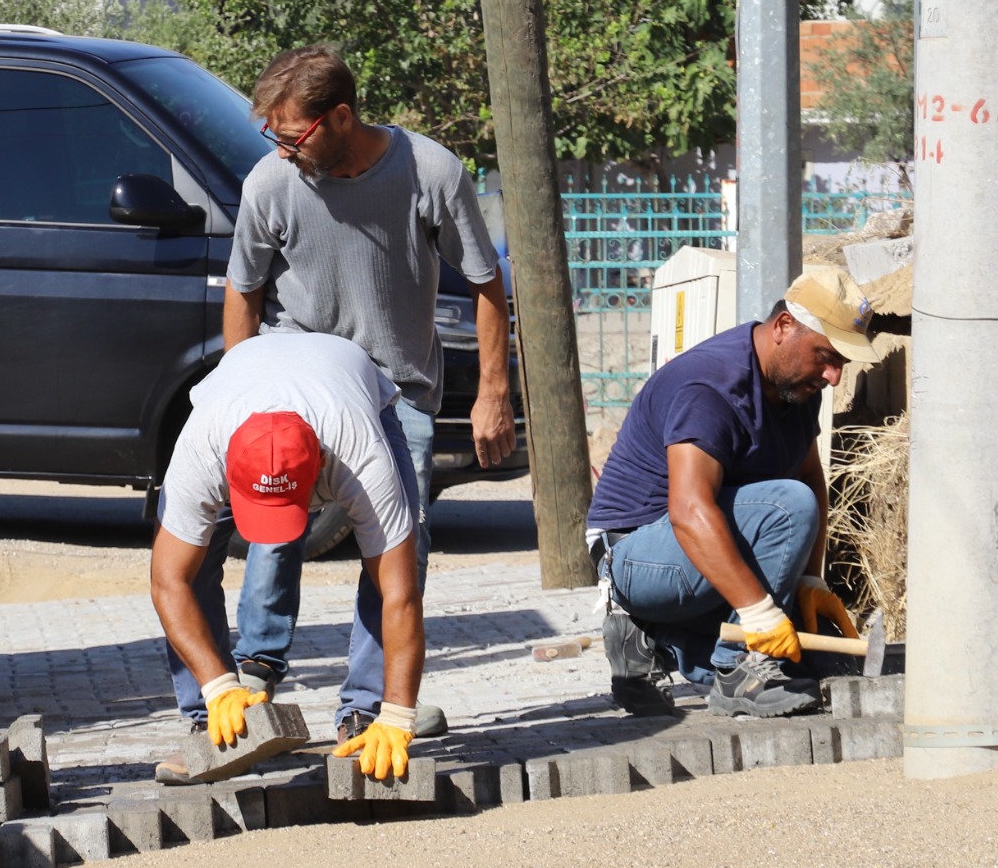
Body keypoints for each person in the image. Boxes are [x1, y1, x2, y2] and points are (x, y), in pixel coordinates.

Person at [219, 44, 517, 746]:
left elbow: (486, 282)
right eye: (275, 136)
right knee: (275, 528)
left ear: (341, 117)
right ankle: (257, 674)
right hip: (295, 385)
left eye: (291, 135)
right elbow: (244, 290)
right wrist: (243, 394)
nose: (282, 149)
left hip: (396, 394)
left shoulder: (430, 172)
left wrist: (494, 391)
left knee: (396, 551)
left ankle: (369, 706)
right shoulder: (270, 183)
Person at [587, 264, 883, 719]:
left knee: (825, 662)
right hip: (635, 554)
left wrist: (808, 580)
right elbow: (688, 510)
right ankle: (736, 669)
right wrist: (760, 617)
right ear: (784, 326)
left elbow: (810, 478)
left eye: (841, 362)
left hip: (697, 555)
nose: (834, 377)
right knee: (786, 510)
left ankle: (656, 640)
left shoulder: (797, 388)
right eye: (826, 356)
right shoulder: (711, 386)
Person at [152, 330, 428, 785]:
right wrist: (220, 685)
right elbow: (167, 581)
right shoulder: (203, 446)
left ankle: (369, 715)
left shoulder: (359, 450)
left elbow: (400, 595)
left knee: (395, 563)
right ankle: (213, 718)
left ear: (320, 465)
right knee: (190, 566)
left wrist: (400, 714)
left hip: (355, 389)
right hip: (241, 384)